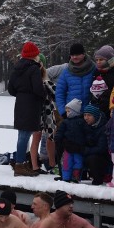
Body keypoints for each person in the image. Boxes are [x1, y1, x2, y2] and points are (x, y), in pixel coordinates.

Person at [8, 42, 46, 176]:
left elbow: (11, 89)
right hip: (31, 105)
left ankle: (20, 163)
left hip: (20, 103)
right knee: (25, 135)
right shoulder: (34, 68)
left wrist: (21, 94)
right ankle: (20, 164)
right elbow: (38, 88)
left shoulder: (16, 68)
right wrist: (43, 95)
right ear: (35, 55)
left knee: (21, 135)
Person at [30, 60, 59, 175]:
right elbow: (56, 94)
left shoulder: (31, 83)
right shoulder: (45, 82)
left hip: (37, 113)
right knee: (49, 138)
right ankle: (51, 164)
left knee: (37, 139)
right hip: (46, 113)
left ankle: (35, 166)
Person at [56, 42, 96, 117]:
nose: (74, 57)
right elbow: (59, 93)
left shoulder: (93, 69)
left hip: (91, 113)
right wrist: (63, 111)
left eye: (77, 54)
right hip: (72, 114)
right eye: (72, 55)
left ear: (83, 54)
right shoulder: (66, 72)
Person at [54, 98, 90, 182]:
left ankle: (76, 177)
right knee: (67, 162)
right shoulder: (65, 122)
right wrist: (58, 138)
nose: (67, 113)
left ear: (74, 111)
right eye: (66, 111)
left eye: (68, 111)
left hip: (79, 148)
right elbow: (60, 131)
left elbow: (87, 132)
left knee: (78, 162)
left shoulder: (82, 122)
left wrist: (89, 140)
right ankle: (66, 177)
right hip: (68, 147)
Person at [83, 104, 111, 185]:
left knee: (93, 158)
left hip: (103, 157)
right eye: (85, 115)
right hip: (90, 152)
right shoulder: (86, 126)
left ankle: (98, 180)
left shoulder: (104, 128)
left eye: (89, 115)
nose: (86, 118)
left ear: (95, 116)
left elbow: (102, 148)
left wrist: (86, 150)